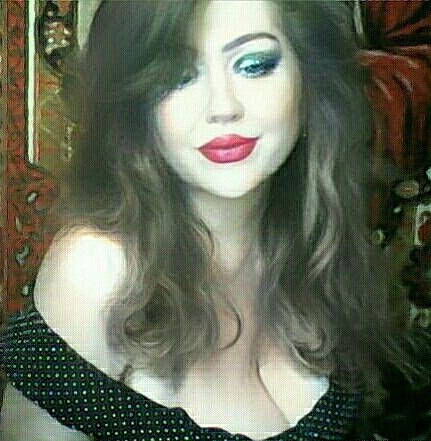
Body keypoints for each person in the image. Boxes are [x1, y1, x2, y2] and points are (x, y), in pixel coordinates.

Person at [0, 1, 429, 440]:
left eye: (254, 65)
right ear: (136, 104)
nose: (222, 107)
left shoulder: (322, 243)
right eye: (178, 75)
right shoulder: (95, 272)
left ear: (308, 77)